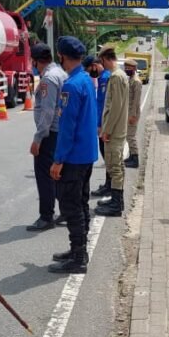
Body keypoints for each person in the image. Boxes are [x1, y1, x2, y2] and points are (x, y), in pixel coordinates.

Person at [49, 36, 99, 274]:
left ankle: (78, 257)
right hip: (87, 153)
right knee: (80, 203)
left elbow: (67, 127)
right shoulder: (86, 80)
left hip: (74, 156)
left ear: (61, 56)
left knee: (71, 207)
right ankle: (79, 249)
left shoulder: (71, 85)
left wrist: (58, 159)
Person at [27, 42, 68, 232]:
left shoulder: (48, 79)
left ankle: (46, 216)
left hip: (50, 133)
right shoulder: (60, 73)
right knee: (56, 174)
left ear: (35, 61)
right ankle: (66, 210)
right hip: (59, 131)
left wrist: (38, 138)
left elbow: (47, 111)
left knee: (44, 176)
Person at [96, 46, 129, 217]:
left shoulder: (116, 77)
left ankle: (116, 205)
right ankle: (117, 201)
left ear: (106, 59)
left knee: (114, 167)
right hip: (118, 129)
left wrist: (107, 130)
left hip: (114, 130)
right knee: (118, 166)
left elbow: (115, 107)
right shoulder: (121, 75)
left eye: (101, 61)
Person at [87, 55, 112, 198]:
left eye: (91, 69)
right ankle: (108, 184)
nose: (91, 72)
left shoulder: (105, 78)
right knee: (106, 155)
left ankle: (110, 186)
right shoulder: (103, 77)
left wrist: (101, 125)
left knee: (108, 155)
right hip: (102, 123)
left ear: (95, 65)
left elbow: (105, 105)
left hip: (104, 125)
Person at [123, 59, 143, 169]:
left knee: (131, 136)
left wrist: (133, 115)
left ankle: (135, 160)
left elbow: (136, 101)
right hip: (129, 112)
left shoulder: (136, 81)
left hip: (132, 113)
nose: (127, 70)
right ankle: (131, 156)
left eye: (129, 68)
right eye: (126, 68)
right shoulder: (130, 79)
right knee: (128, 135)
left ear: (134, 69)